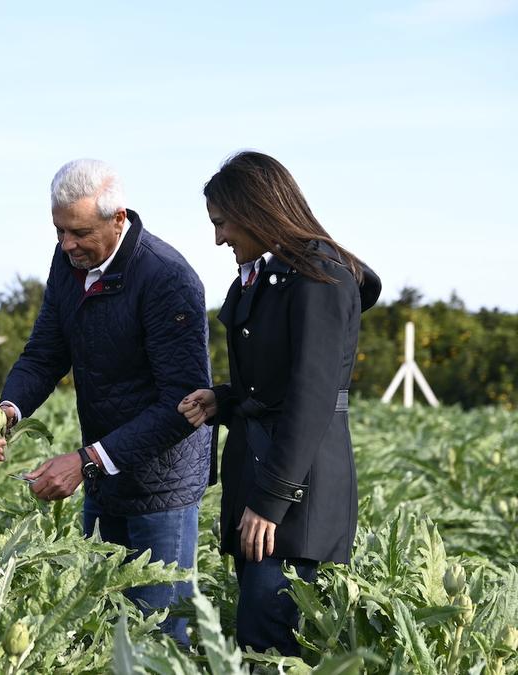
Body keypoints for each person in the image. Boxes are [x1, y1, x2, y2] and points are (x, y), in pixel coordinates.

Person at [0, 159, 211, 646]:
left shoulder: (167, 278)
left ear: (118, 218)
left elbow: (183, 405)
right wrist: (9, 412)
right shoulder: (69, 264)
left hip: (161, 488)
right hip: (105, 477)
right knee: (103, 630)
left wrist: (86, 460)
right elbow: (44, 354)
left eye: (79, 232)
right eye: (59, 230)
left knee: (159, 638)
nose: (67, 244)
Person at [178, 151, 381, 655]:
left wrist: (271, 501)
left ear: (255, 211)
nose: (219, 238)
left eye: (222, 223)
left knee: (270, 648)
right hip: (262, 483)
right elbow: (271, 386)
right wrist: (223, 400)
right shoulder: (268, 276)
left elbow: (312, 399)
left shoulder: (319, 278)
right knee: (258, 642)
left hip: (295, 498)